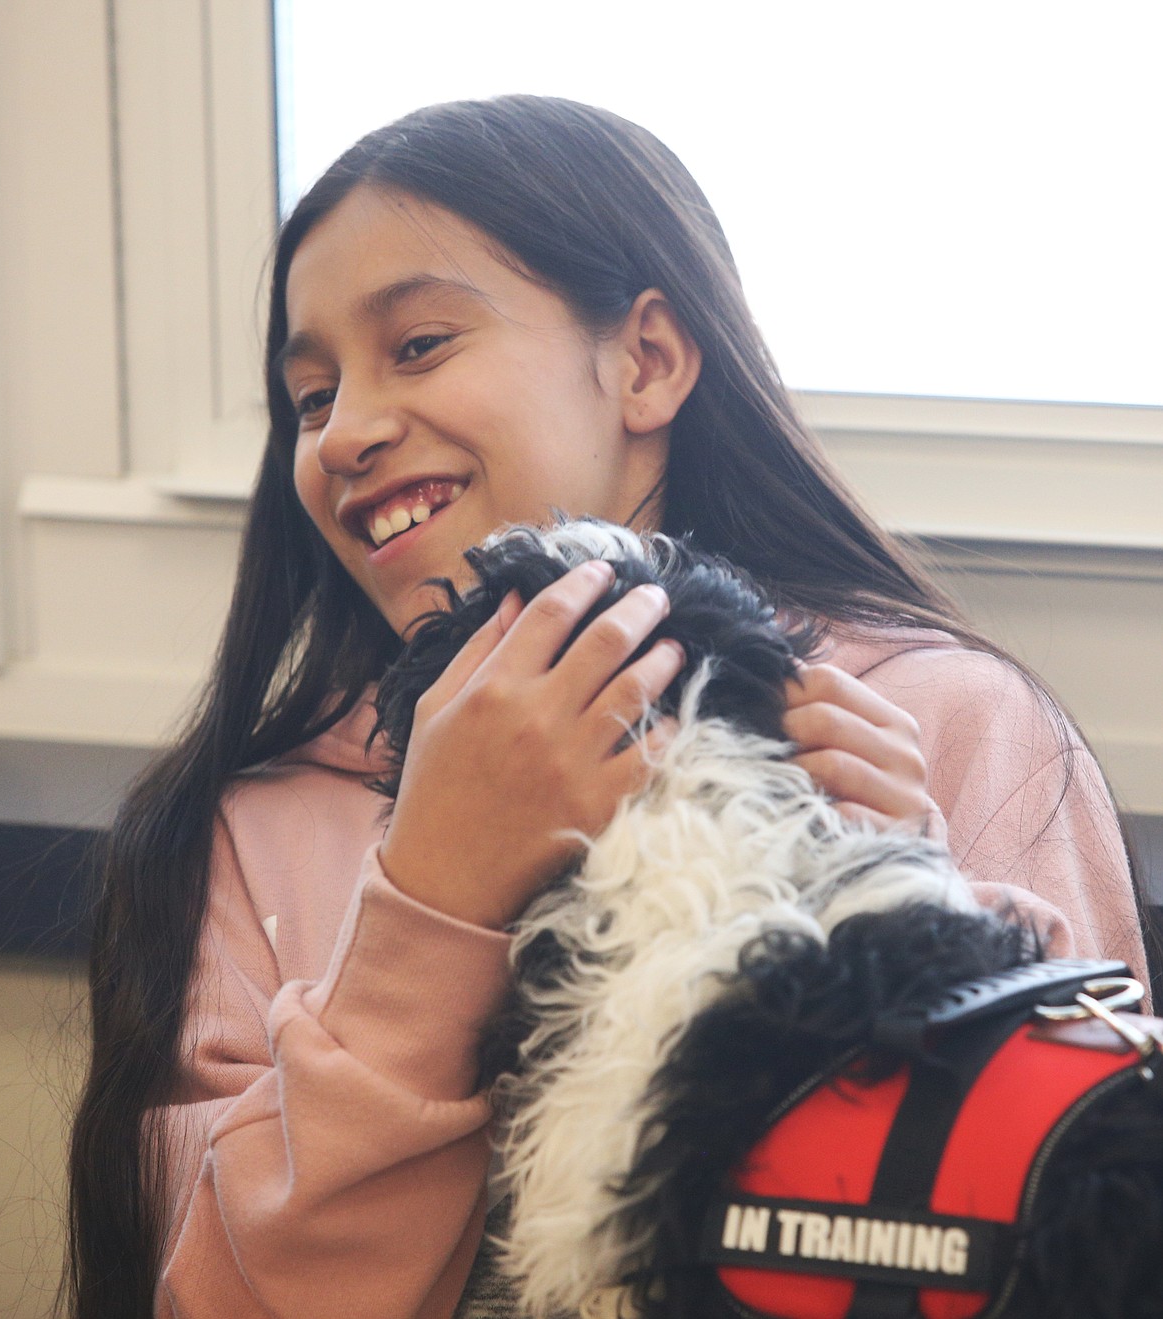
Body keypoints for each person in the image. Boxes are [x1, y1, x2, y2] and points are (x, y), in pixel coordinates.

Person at [66, 96, 1146, 1319]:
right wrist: (430, 903)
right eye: (310, 398)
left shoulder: (945, 724)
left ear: (646, 361)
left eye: (417, 344)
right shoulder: (242, 829)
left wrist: (923, 918)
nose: (345, 433)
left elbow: (1087, 1227)